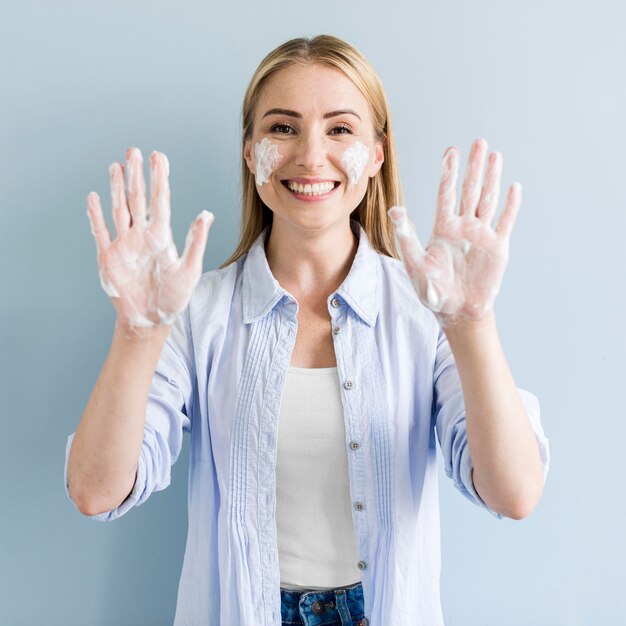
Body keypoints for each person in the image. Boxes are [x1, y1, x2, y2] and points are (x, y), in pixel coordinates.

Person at [64, 35, 550, 626]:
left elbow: (515, 493)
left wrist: (471, 321)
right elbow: (96, 492)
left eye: (340, 129)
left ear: (376, 153)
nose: (311, 156)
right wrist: (137, 332)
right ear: (250, 151)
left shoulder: (429, 307)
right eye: (283, 128)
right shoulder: (196, 312)